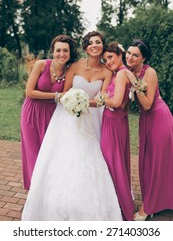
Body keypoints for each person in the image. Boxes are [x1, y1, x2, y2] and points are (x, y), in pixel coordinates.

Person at [21, 31, 123, 221]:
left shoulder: (107, 72)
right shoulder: (74, 66)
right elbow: (66, 91)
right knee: (60, 155)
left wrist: (87, 103)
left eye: (98, 43)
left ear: (102, 46)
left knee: (89, 158)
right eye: (91, 43)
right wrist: (73, 102)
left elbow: (103, 98)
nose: (94, 46)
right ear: (85, 47)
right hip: (67, 116)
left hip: (91, 119)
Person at [20, 34, 78, 190]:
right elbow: (29, 92)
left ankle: (46, 191)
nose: (62, 54)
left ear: (70, 52)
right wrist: (57, 96)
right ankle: (34, 193)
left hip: (52, 115)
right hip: (31, 113)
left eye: (65, 50)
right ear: (53, 51)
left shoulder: (70, 71)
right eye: (58, 50)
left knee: (47, 154)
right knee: (33, 153)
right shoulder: (41, 65)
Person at [124, 38, 173, 221]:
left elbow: (146, 104)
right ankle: (154, 201)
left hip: (159, 119)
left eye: (135, 55)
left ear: (143, 58)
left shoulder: (149, 72)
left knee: (157, 164)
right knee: (146, 163)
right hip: (146, 122)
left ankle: (148, 207)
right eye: (128, 53)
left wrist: (133, 81)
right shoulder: (128, 71)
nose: (130, 57)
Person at [99, 42, 134, 221]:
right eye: (105, 60)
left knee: (114, 165)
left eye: (110, 57)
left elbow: (116, 102)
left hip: (113, 123)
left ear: (120, 55)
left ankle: (124, 208)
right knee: (116, 163)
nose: (108, 62)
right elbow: (124, 105)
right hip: (116, 121)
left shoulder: (121, 74)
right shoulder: (122, 73)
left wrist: (102, 97)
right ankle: (118, 204)